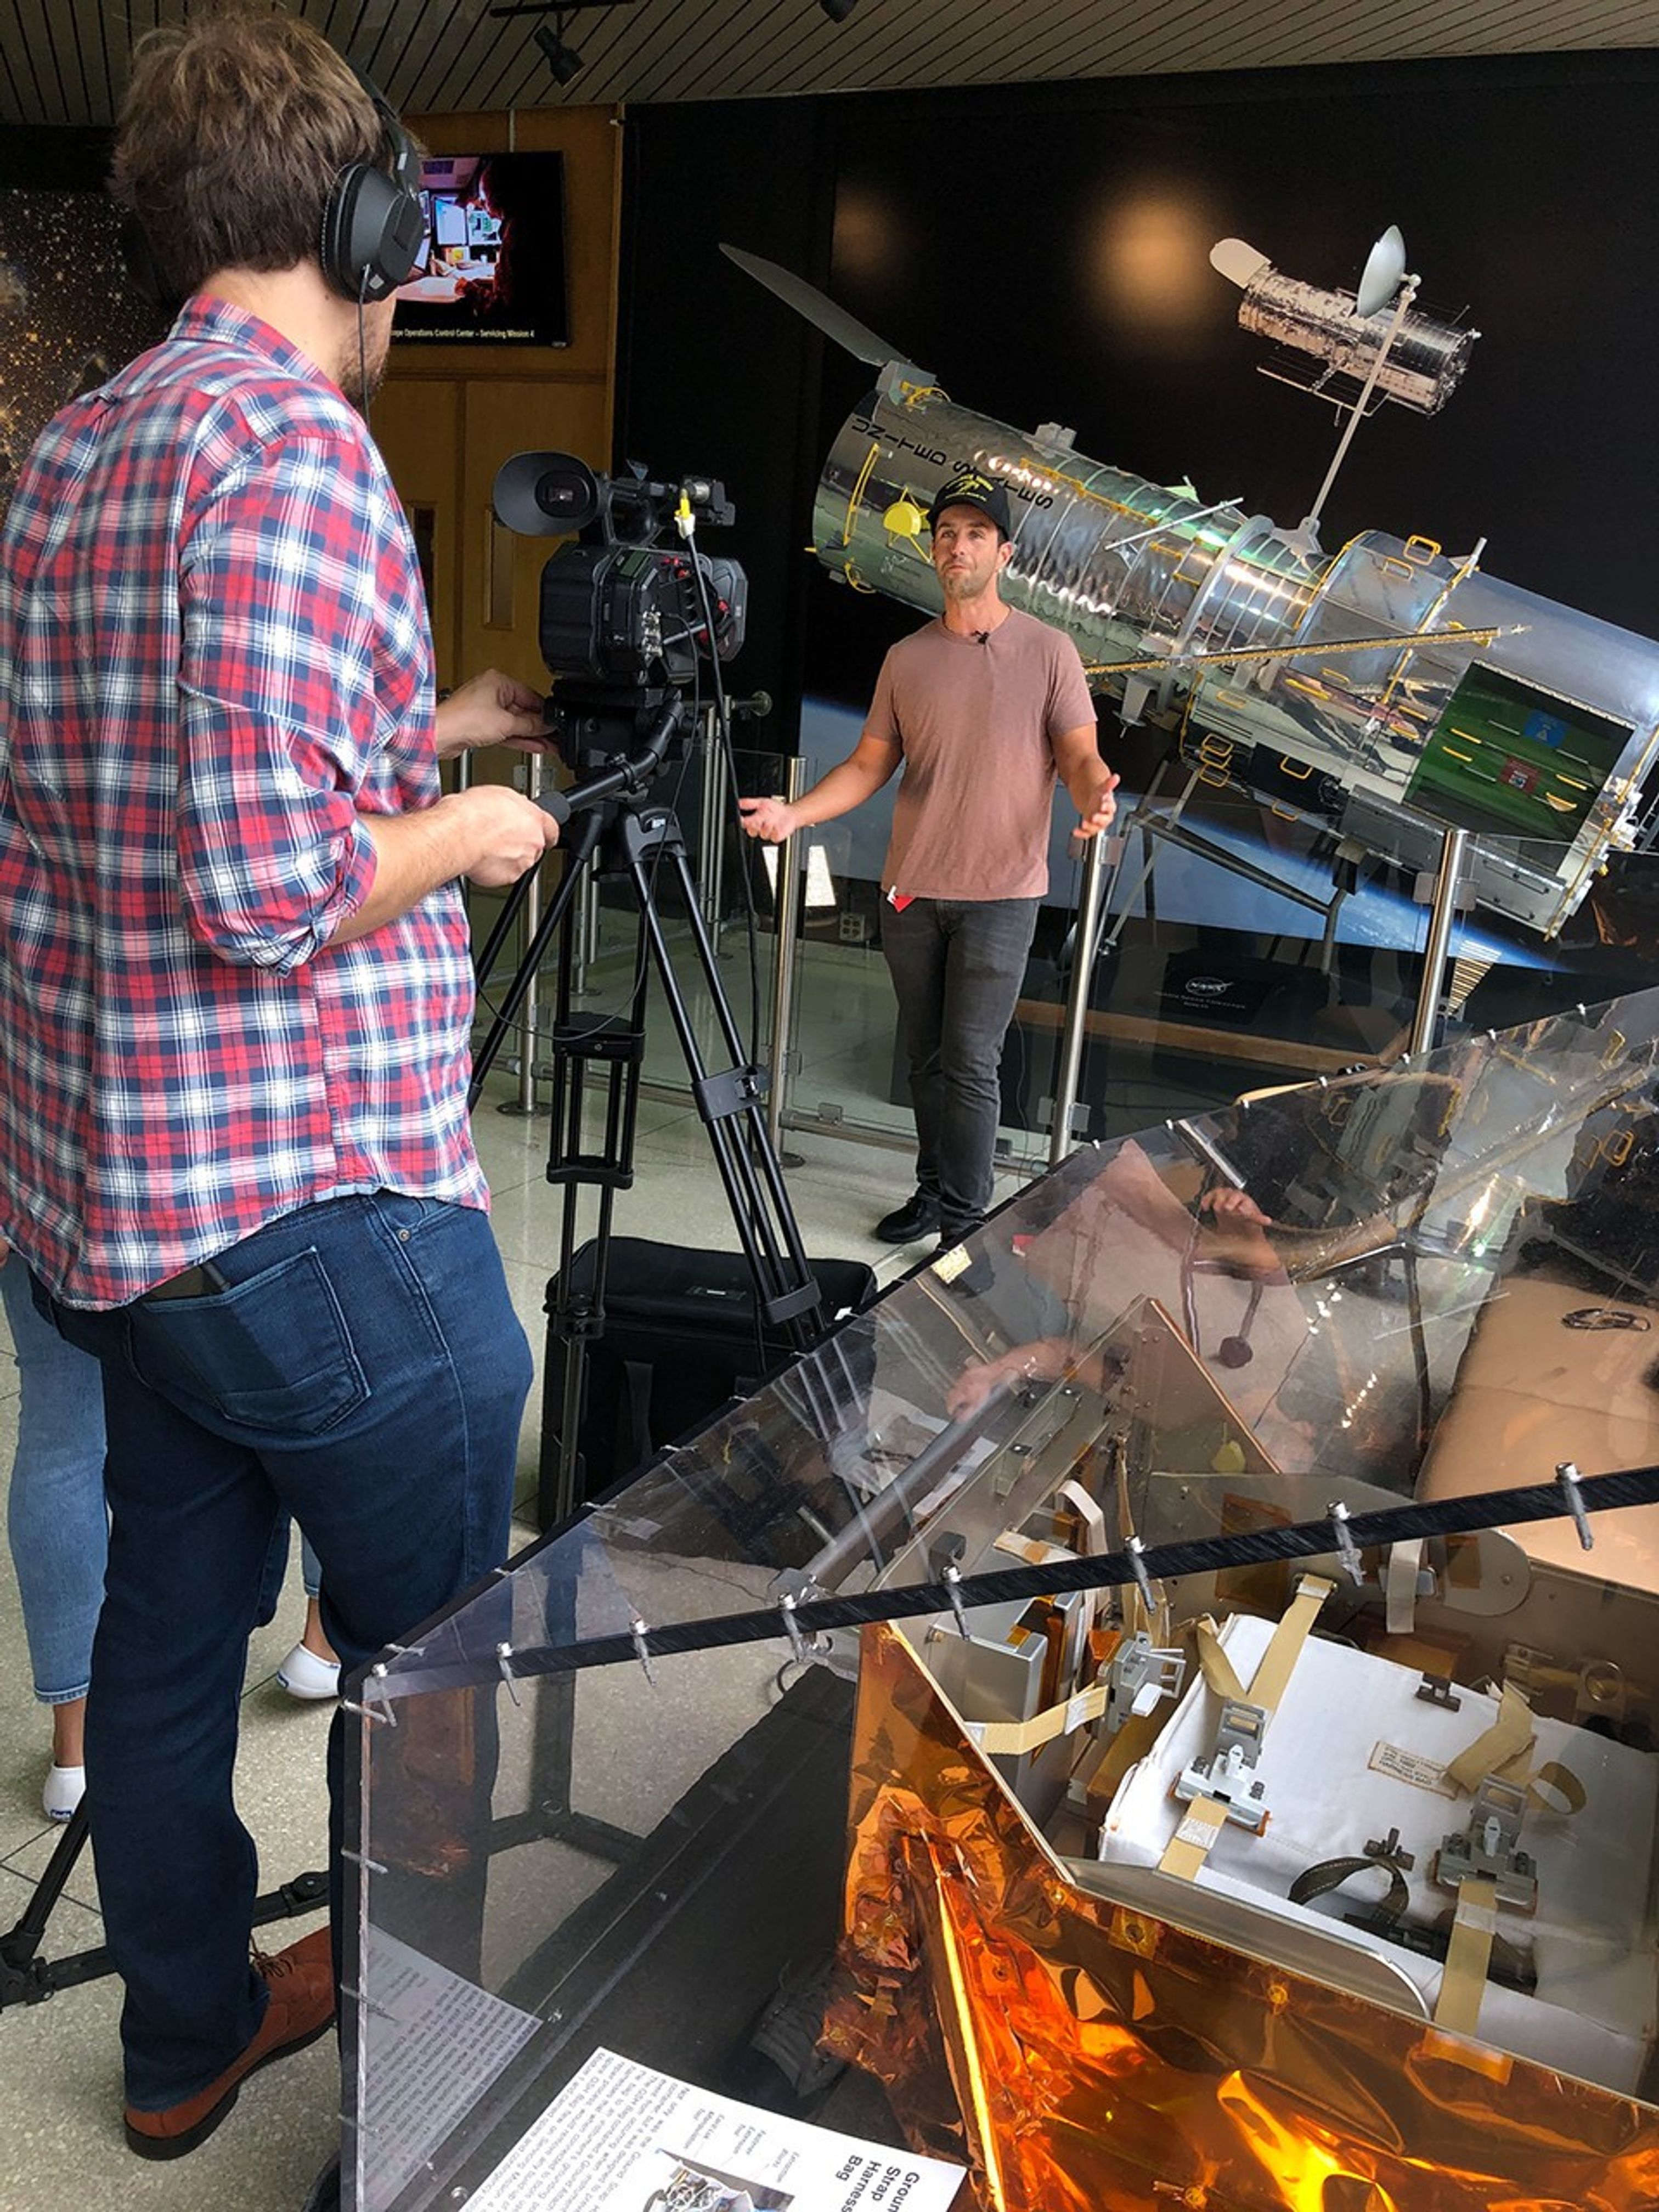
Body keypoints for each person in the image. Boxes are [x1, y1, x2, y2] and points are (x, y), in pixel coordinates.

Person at [0, 9, 560, 2162]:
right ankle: (422, 2113)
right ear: (366, 225)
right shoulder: (302, 452)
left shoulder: (79, 450)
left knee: (166, 1637)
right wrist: (470, 827)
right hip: (317, 1209)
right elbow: (264, 883)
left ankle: (184, 2038)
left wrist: (418, 742)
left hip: (129, 1214)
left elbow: (133, 783)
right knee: (438, 1659)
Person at [740, 470, 1118, 1256]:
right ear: (934, 550)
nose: (958, 546)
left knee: (972, 1061)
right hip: (911, 891)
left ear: (1004, 553)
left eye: (976, 534)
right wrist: (794, 813)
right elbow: (867, 765)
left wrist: (1094, 799)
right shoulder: (906, 658)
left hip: (1002, 894)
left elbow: (1079, 756)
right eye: (947, 533)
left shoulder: (1050, 651)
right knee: (926, 1058)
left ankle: (966, 1226)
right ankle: (934, 1186)